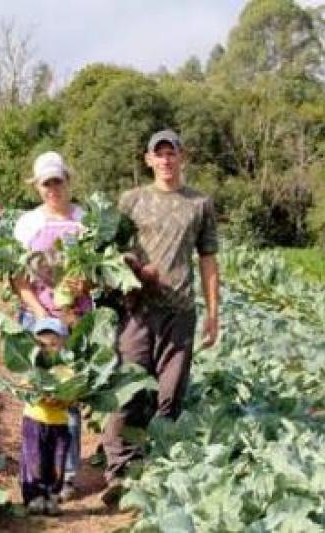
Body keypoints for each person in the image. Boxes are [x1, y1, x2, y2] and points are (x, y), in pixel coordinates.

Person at [101, 129, 220, 505]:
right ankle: (119, 471)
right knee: (129, 391)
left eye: (172, 153)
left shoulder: (199, 203)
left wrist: (214, 312)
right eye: (160, 154)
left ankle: (158, 471)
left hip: (180, 311)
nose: (166, 160)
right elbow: (108, 253)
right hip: (137, 310)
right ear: (148, 159)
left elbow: (208, 260)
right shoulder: (131, 201)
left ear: (182, 157)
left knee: (170, 397)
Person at [11, 151, 91, 501]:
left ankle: (67, 476)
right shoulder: (27, 224)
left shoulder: (86, 220)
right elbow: (17, 277)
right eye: (46, 183)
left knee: (69, 396)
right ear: (37, 186)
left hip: (76, 318)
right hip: (38, 318)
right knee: (38, 396)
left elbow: (96, 273)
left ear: (68, 181)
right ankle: (38, 477)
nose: (53, 189)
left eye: (58, 181)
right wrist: (42, 315)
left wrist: (75, 301)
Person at [20, 318, 73, 516]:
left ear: (62, 345)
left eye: (54, 344)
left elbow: (75, 396)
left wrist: (63, 400)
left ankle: (52, 496)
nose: (48, 348)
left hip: (59, 423)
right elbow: (24, 388)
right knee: (34, 459)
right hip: (34, 420)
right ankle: (34, 497)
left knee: (57, 462)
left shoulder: (67, 370)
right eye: (42, 344)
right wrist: (39, 394)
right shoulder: (32, 367)